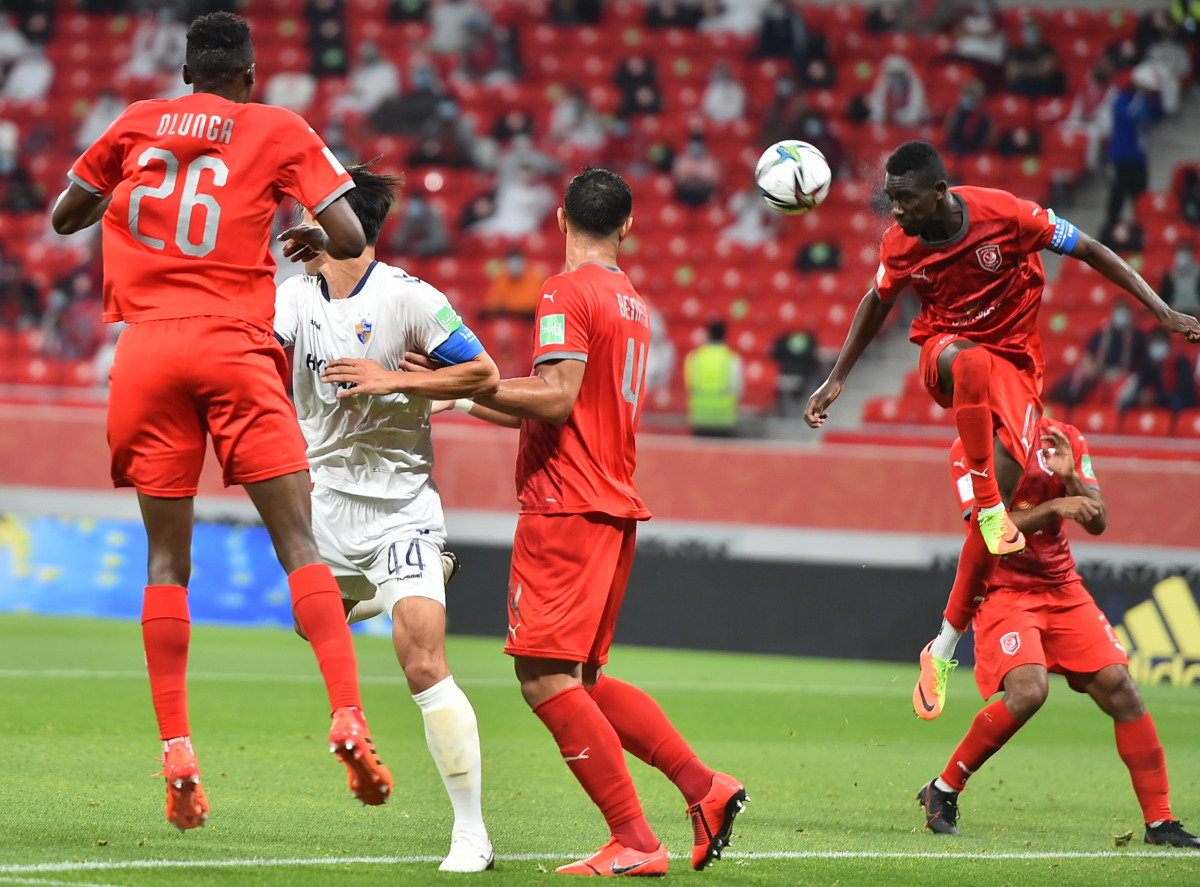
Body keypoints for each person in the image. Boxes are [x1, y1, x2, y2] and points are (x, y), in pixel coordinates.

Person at [50, 11, 394, 832]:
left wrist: (127, 192)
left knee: (167, 558)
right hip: (233, 344)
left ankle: (177, 748)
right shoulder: (276, 125)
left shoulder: (136, 123)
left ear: (186, 73)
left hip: (145, 351)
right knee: (298, 545)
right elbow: (348, 232)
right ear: (246, 74)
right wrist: (305, 224)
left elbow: (68, 215)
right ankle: (348, 714)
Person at [803, 141, 1200, 719]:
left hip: (1017, 365)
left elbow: (1088, 248)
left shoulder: (1007, 215)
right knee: (971, 367)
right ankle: (990, 505)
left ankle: (941, 647)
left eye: (906, 200)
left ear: (940, 193)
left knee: (996, 514)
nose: (897, 212)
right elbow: (877, 300)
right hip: (946, 354)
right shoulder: (900, 243)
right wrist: (837, 378)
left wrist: (1160, 309)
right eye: (891, 201)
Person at [431, 168, 748, 874]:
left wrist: (463, 383)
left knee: (546, 680)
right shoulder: (631, 301)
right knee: (587, 681)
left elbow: (554, 397)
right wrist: (460, 400)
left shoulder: (564, 290)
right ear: (627, 226)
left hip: (564, 505)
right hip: (609, 500)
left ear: (559, 217)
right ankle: (706, 787)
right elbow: (557, 399)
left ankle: (635, 839)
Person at [275, 162, 499, 872]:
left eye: (321, 212)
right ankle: (389, 589)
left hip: (399, 506)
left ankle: (472, 833)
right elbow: (249, 349)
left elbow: (485, 374)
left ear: (345, 225)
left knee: (423, 662)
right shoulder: (292, 298)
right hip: (322, 504)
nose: (309, 222)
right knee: (312, 621)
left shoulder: (411, 298)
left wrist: (397, 377)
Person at [917, 419, 1200, 849]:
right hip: (1003, 590)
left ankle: (1160, 822)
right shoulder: (968, 447)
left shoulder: (1062, 438)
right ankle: (945, 787)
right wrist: (1054, 508)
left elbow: (1099, 519)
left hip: (1062, 587)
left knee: (1122, 688)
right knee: (1030, 690)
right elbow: (986, 530)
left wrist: (1071, 479)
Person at [685, 319, 743, 436]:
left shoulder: (695, 357)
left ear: (708, 334)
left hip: (699, 419)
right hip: (724, 420)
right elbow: (738, 388)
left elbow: (689, 386)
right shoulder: (731, 359)